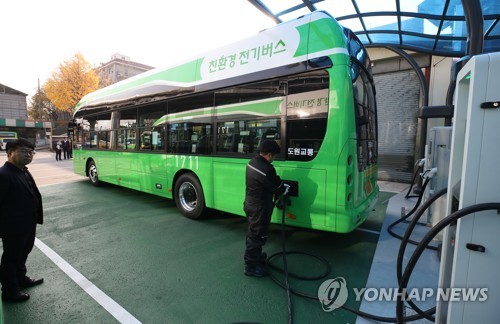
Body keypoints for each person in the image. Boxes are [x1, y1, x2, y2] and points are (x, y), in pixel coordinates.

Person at [0, 138, 44, 302]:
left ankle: (21, 279)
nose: (28, 155)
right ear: (10, 153)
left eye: (31, 152)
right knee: (11, 258)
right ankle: (10, 291)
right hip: (13, 226)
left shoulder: (23, 170)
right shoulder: (4, 175)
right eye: (23, 151)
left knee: (23, 253)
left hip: (27, 223)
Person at [243, 140, 290, 277]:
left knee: (253, 233)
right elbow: (277, 187)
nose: (273, 159)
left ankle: (255, 257)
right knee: (257, 236)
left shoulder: (252, 162)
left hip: (250, 204)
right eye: (274, 156)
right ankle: (251, 266)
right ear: (269, 154)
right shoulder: (267, 169)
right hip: (260, 208)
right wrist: (284, 189)